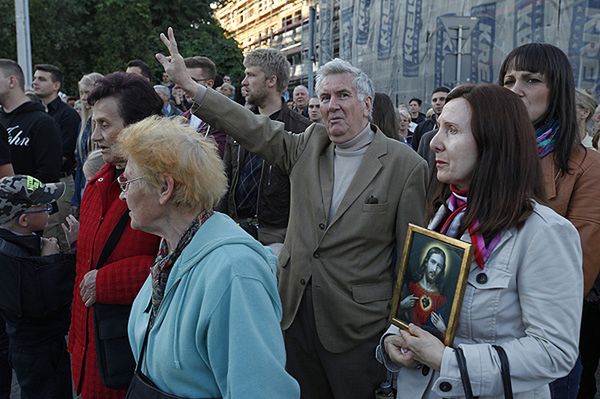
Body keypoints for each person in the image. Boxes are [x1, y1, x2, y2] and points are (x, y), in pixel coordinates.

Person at [157, 27, 428, 399]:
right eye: (326, 96)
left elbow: (412, 259)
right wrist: (192, 86)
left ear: (366, 104)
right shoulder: (308, 145)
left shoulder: (406, 165)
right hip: (292, 315)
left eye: (343, 95)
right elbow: (251, 128)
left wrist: (403, 328)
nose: (332, 105)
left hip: (357, 329)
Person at [377, 83, 583, 398]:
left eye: (452, 130)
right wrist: (395, 337)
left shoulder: (544, 232)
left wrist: (449, 362)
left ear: (493, 142)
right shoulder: (445, 214)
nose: (434, 143)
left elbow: (554, 351)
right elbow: (423, 303)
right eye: (437, 127)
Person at [116, 116, 300, 398]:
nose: (122, 195)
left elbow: (261, 391)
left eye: (128, 181)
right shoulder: (172, 251)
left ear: (165, 188)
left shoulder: (233, 272)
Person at [499, 43, 600, 399]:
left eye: (531, 80)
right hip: (477, 339)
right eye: (509, 79)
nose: (515, 90)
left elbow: (578, 274)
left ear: (557, 90)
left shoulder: (589, 166)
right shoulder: (487, 157)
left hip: (540, 344)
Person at [68, 72, 162, 399]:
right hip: (89, 357)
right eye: (94, 124)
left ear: (138, 126)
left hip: (131, 363)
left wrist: (107, 282)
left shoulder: (166, 189)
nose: (95, 136)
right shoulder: (97, 184)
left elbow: (182, 268)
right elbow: (86, 271)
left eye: (105, 125)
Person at [221, 47, 311, 247]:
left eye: (251, 75)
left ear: (271, 81)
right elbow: (225, 179)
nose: (244, 82)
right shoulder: (239, 124)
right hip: (234, 230)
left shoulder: (302, 130)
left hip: (276, 237)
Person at [0, 175, 77, 399]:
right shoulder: (17, 259)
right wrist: (53, 262)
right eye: (44, 206)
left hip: (28, 347)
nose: (50, 210)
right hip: (39, 351)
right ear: (24, 220)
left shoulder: (12, 243)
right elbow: (47, 304)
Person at [0, 59, 62, 183]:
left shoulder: (43, 122)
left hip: (32, 200)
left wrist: (21, 194)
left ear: (11, 81)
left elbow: (49, 175)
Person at [71, 72, 103, 216]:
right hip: (85, 184)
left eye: (87, 92)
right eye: (81, 93)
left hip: (100, 184)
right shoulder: (84, 123)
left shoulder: (104, 123)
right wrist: (76, 197)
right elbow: (80, 163)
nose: (83, 97)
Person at [398, 247, 448, 339]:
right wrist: (402, 306)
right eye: (433, 262)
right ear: (426, 262)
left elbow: (443, 338)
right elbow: (395, 317)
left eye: (439, 266)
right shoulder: (410, 287)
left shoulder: (442, 301)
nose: (434, 269)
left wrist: (443, 329)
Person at [412, 87, 450, 151]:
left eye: (442, 99)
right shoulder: (421, 127)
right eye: (434, 100)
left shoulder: (456, 126)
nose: (437, 103)